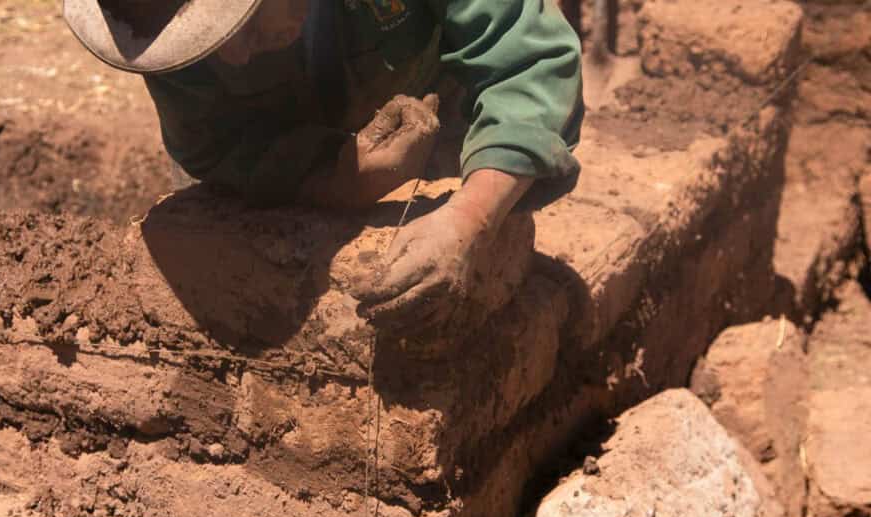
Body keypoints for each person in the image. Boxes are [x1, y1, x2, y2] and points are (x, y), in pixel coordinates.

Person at [64, 0, 583, 331]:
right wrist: (348, 177)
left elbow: (529, 62)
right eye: (206, 44)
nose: (236, 58)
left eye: (237, 27)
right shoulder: (146, 14)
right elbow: (217, 147)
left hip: (444, 149)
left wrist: (470, 219)